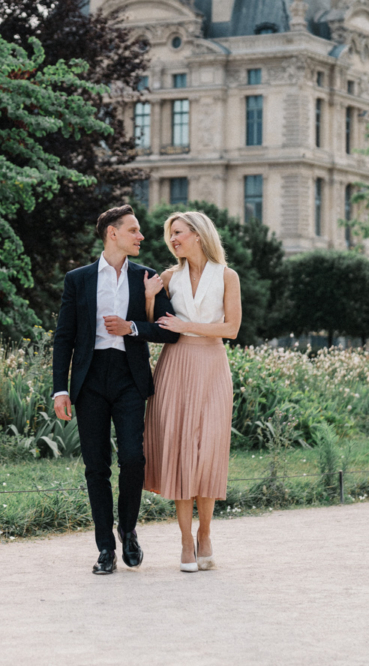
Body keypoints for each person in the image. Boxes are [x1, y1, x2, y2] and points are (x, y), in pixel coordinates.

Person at [52, 204, 179, 575]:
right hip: (90, 380)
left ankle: (128, 529)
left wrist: (132, 328)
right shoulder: (78, 279)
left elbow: (169, 329)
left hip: (129, 377)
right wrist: (61, 389)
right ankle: (105, 548)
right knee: (96, 467)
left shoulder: (148, 277)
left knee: (133, 458)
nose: (141, 236)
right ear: (113, 233)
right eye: (134, 230)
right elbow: (64, 338)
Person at [141, 210, 242, 572]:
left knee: (208, 453)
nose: (173, 240)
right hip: (176, 364)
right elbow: (159, 327)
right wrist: (152, 298)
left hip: (213, 366)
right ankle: (185, 540)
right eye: (171, 234)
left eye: (179, 233)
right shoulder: (169, 276)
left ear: (198, 235)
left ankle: (206, 534)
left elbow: (231, 329)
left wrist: (189, 324)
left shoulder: (227, 276)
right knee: (183, 451)